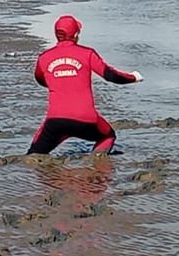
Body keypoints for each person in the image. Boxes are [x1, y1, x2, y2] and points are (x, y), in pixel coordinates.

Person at [28, 14, 143, 155]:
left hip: (55, 121)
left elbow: (40, 79)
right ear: (76, 34)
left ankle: (27, 177)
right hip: (86, 120)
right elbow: (110, 75)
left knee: (34, 154)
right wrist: (133, 77)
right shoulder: (87, 54)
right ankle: (95, 166)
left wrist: (60, 81)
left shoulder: (44, 58)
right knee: (108, 135)